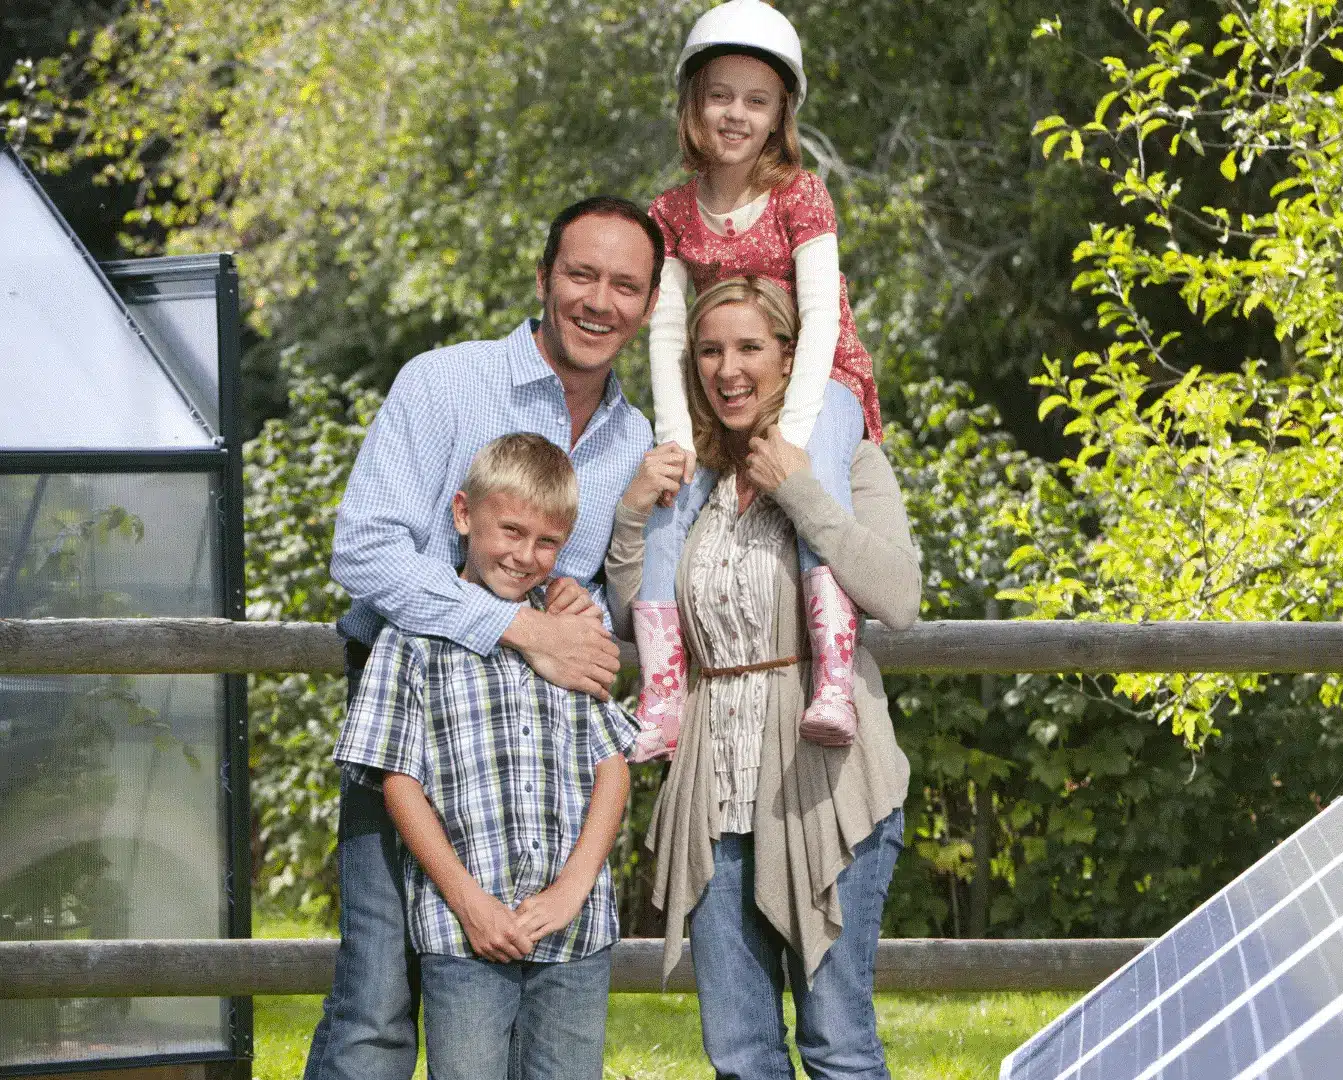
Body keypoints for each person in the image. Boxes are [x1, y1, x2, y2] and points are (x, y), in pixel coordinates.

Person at [309, 195, 687, 1079]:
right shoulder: (445, 382)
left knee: (519, 1000)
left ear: (650, 301)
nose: (600, 301)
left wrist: (571, 605)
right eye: (581, 275)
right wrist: (517, 626)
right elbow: (364, 548)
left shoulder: (633, 439)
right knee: (376, 995)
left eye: (625, 285)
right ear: (546, 276)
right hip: (410, 721)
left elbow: (580, 580)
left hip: (533, 752)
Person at [606, 276, 921, 1080]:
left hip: (828, 784)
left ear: (790, 356)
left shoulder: (846, 455)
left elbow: (899, 597)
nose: (728, 368)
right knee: (740, 1052)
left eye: (749, 347)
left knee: (836, 1041)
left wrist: (799, 490)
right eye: (710, 350)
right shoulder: (694, 483)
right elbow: (629, 616)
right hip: (713, 790)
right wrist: (634, 515)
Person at [334, 433, 634, 1079]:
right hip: (465, 932)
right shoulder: (414, 639)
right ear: (464, 515)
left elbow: (613, 766)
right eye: (511, 530)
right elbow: (397, 782)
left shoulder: (568, 636)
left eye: (547, 542)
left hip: (572, 934)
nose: (526, 556)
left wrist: (573, 888)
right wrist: (470, 902)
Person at [630, 0, 883, 763]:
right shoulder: (671, 210)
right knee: (667, 494)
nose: (735, 114)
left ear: (780, 116)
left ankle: (833, 678)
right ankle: (663, 693)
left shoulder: (800, 195)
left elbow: (820, 318)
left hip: (815, 377)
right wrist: (677, 438)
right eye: (719, 95)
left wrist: (796, 435)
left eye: (756, 100)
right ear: (693, 104)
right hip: (722, 388)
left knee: (813, 486)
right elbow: (669, 329)